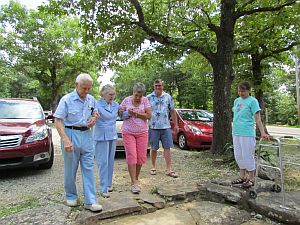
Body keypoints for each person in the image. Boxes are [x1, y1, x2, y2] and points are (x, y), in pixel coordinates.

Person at [54, 73, 102, 212]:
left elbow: (95, 113)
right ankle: (71, 195)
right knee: (70, 169)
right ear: (76, 85)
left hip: (87, 135)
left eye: (89, 88)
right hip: (71, 134)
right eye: (83, 88)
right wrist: (66, 140)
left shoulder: (91, 99)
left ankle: (90, 201)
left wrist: (94, 118)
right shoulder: (67, 99)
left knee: (88, 168)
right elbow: (58, 121)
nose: (86, 91)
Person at [231, 81, 269, 188]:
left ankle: (251, 178)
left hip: (247, 132)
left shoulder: (253, 101)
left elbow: (257, 118)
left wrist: (262, 132)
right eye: (239, 91)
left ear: (248, 91)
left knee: (247, 155)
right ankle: (242, 176)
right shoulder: (236, 101)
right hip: (236, 131)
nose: (241, 93)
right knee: (238, 155)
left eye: (243, 91)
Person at [119, 83, 152, 194]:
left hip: (142, 132)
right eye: (136, 95)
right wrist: (126, 113)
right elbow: (119, 113)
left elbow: (149, 116)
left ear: (143, 94)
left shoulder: (145, 101)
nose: (138, 97)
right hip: (128, 132)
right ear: (133, 92)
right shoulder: (126, 100)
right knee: (132, 155)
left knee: (141, 156)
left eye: (140, 95)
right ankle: (133, 182)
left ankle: (136, 178)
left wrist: (137, 114)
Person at [147, 79, 179, 178]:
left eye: (159, 85)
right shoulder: (148, 97)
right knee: (154, 148)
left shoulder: (167, 97)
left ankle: (169, 169)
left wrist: (176, 125)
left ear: (162, 86)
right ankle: (153, 167)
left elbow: (172, 111)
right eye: (156, 85)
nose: (158, 87)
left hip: (166, 127)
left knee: (167, 148)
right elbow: (144, 111)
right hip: (153, 126)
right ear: (154, 86)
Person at [94, 84, 119, 198]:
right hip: (101, 136)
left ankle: (109, 184)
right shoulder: (96, 104)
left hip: (112, 135)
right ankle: (103, 188)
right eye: (110, 94)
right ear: (103, 94)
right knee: (103, 162)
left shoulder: (116, 105)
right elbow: (93, 115)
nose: (112, 96)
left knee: (110, 161)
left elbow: (121, 114)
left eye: (114, 94)